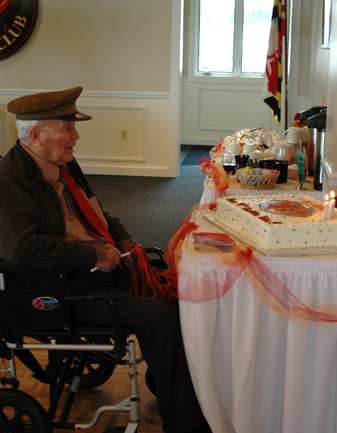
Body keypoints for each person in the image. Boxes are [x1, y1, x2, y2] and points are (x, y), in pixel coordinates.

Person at [0, 87, 212, 433]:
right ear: (36, 135)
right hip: (59, 287)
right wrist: (90, 254)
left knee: (175, 286)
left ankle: (170, 383)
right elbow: (21, 249)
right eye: (67, 127)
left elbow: (98, 211)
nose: (76, 135)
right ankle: (186, 424)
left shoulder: (62, 164)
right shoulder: (11, 181)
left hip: (95, 268)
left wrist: (124, 238)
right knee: (158, 315)